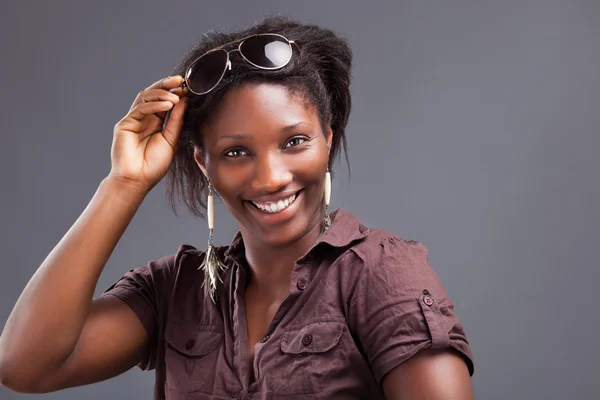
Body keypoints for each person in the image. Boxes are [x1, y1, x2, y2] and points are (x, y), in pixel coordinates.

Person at [0, 16, 474, 399]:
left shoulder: (380, 274)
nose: (269, 177)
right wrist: (124, 183)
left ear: (327, 141)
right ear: (203, 164)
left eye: (294, 141)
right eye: (236, 152)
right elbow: (27, 367)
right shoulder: (173, 292)